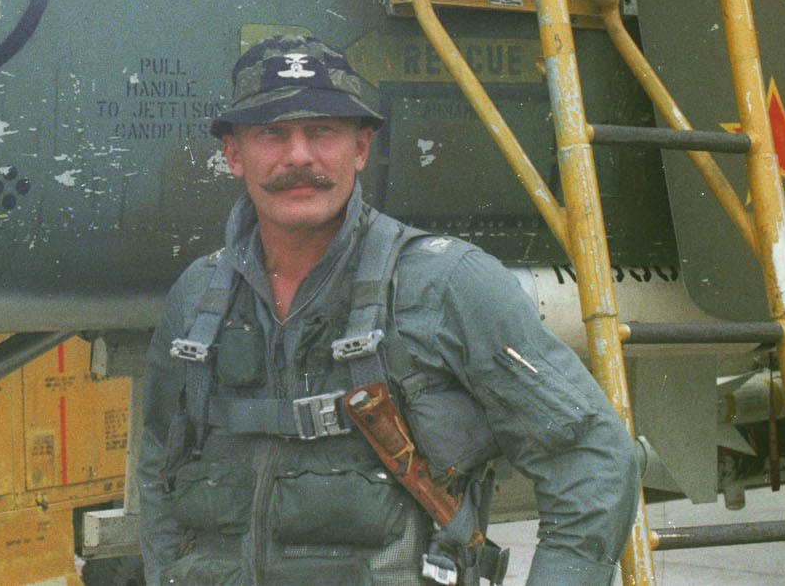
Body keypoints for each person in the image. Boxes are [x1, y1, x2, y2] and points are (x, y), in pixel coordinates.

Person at [136, 33, 641, 585]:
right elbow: (161, 463)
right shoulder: (199, 297)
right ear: (234, 154)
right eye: (271, 133)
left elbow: (591, 455)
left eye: (322, 131)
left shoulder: (446, 285)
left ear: (361, 147)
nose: (298, 156)